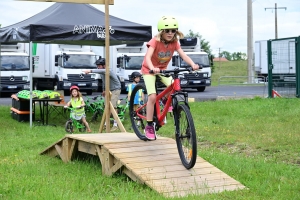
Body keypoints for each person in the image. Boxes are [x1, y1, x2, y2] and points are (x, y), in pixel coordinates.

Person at [141, 16, 199, 140]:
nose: (170, 33)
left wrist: (193, 64)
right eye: (167, 31)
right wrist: (152, 68)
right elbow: (148, 57)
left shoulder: (174, 43)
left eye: (173, 30)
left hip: (162, 70)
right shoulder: (155, 41)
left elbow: (183, 55)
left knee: (174, 86)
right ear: (162, 32)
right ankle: (149, 125)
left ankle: (164, 101)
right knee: (152, 96)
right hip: (149, 70)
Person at [82, 58, 121, 132]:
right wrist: (104, 90)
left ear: (104, 65)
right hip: (108, 89)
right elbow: (104, 81)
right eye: (97, 66)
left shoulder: (108, 70)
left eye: (99, 66)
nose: (98, 67)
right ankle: (106, 124)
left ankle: (115, 125)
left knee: (112, 106)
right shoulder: (102, 73)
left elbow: (101, 71)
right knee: (107, 106)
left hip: (116, 89)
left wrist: (90, 71)